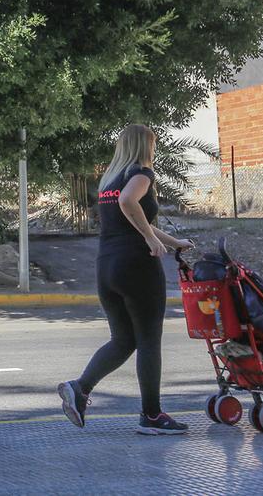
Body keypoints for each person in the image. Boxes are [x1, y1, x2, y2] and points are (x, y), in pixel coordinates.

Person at [58, 124, 194, 435]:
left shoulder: (110, 180)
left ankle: (79, 389)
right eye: (153, 144)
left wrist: (172, 242)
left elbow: (133, 215)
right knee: (148, 341)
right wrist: (150, 240)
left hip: (107, 267)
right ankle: (152, 416)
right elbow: (130, 204)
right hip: (136, 267)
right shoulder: (142, 174)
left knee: (123, 339)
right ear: (146, 145)